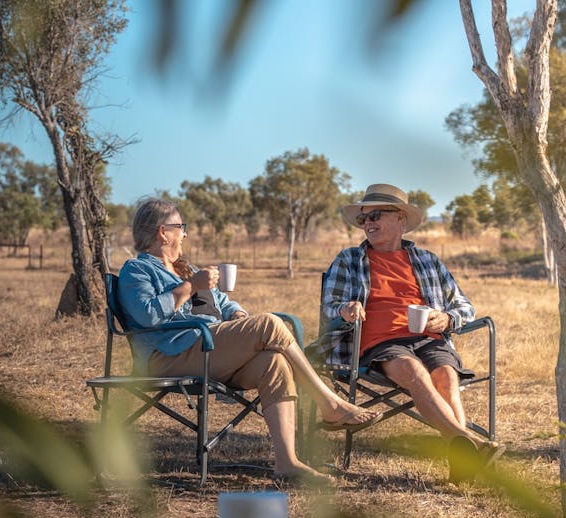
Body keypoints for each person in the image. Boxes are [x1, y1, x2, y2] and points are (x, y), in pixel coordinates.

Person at [117, 196, 381, 483]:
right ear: (162, 232)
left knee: (273, 362)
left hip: (207, 349)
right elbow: (148, 315)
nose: (185, 233)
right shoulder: (137, 270)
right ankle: (329, 403)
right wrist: (192, 287)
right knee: (269, 323)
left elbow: (223, 303)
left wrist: (239, 314)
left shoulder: (185, 269)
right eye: (181, 226)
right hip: (169, 356)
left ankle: (287, 464)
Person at [318, 183, 502, 478]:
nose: (369, 223)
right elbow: (330, 304)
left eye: (376, 215)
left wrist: (447, 319)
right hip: (381, 343)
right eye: (364, 219)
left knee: (445, 375)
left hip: (429, 338)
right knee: (414, 372)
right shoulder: (349, 259)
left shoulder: (427, 260)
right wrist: (345, 309)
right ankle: (467, 443)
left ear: (400, 218)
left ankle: (462, 458)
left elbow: (465, 306)